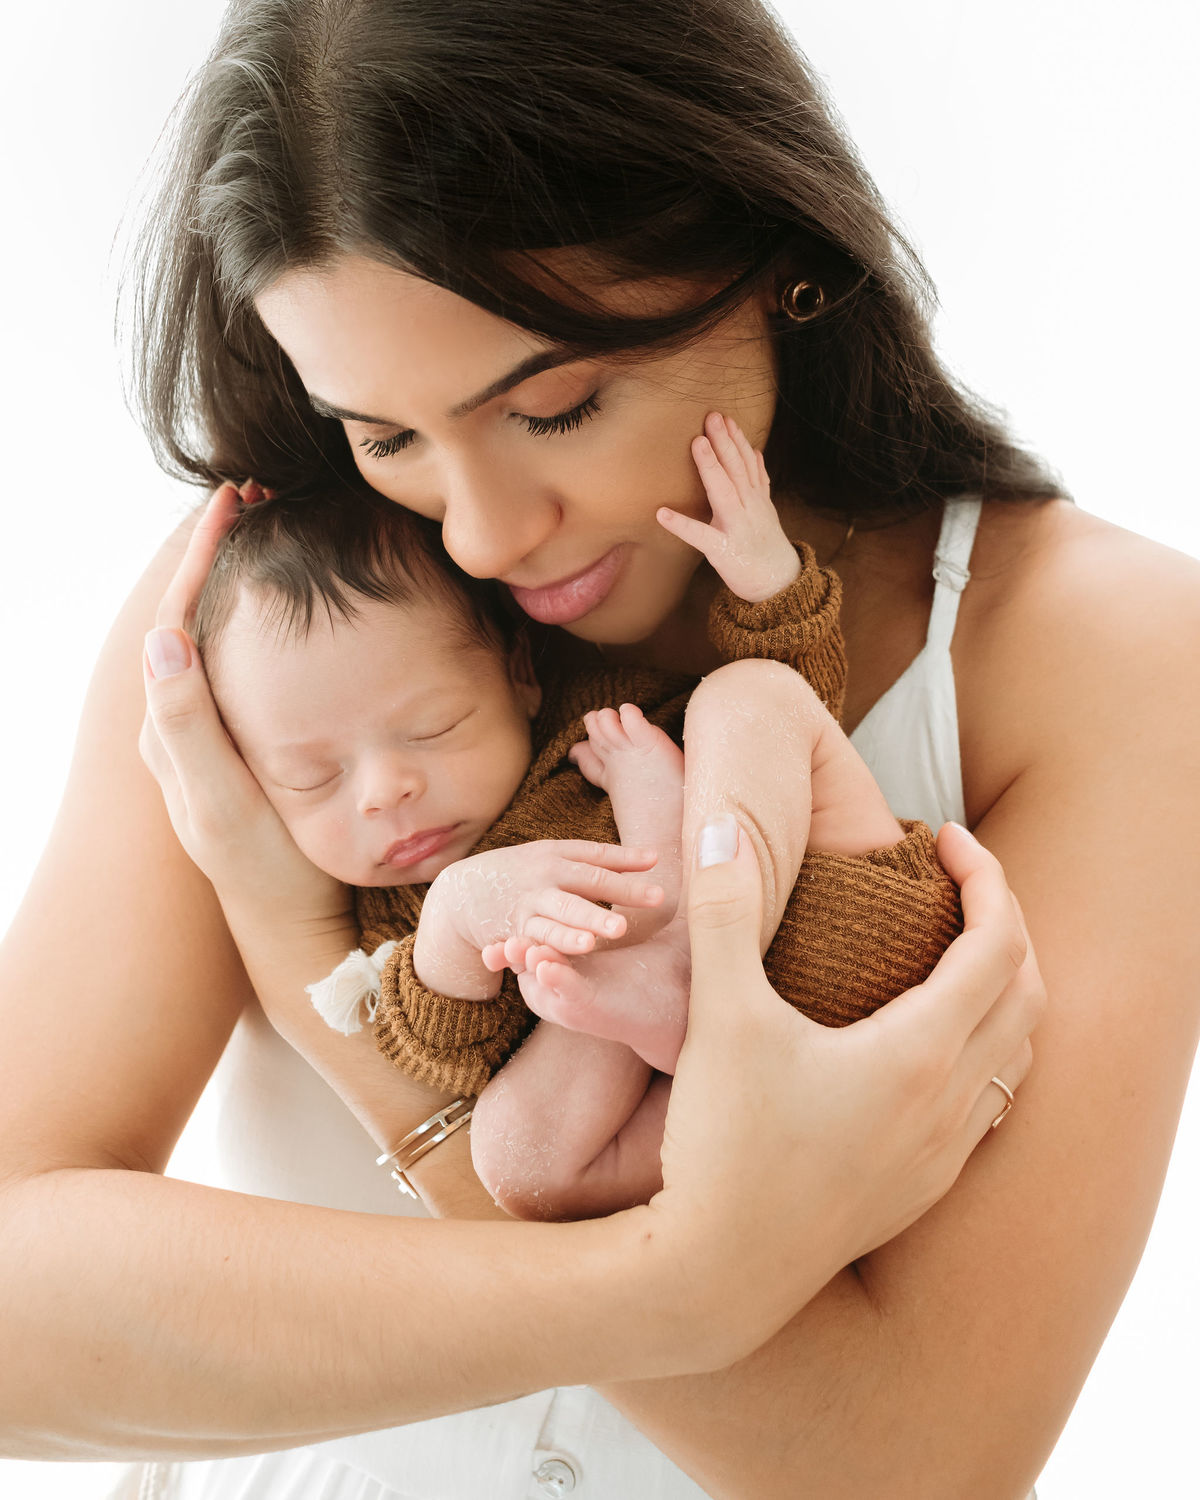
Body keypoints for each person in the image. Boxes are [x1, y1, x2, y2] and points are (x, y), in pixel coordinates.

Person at [0, 2, 1192, 1498]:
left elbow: (913, 1465)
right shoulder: (273, 627)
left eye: (555, 405)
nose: (485, 532)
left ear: (779, 258)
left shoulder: (1102, 649)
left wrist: (329, 975)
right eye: (383, 435)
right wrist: (672, 1287)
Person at [192, 432, 962, 1222]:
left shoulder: (596, 723)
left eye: (431, 728)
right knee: (515, 1161)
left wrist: (768, 586)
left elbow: (796, 722)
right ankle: (682, 1000)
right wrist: (458, 916)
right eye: (312, 779)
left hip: (834, 926)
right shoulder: (399, 913)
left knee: (749, 696)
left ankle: (690, 944)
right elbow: (450, 1054)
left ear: (522, 675)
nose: (386, 792)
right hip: (746, 1090)